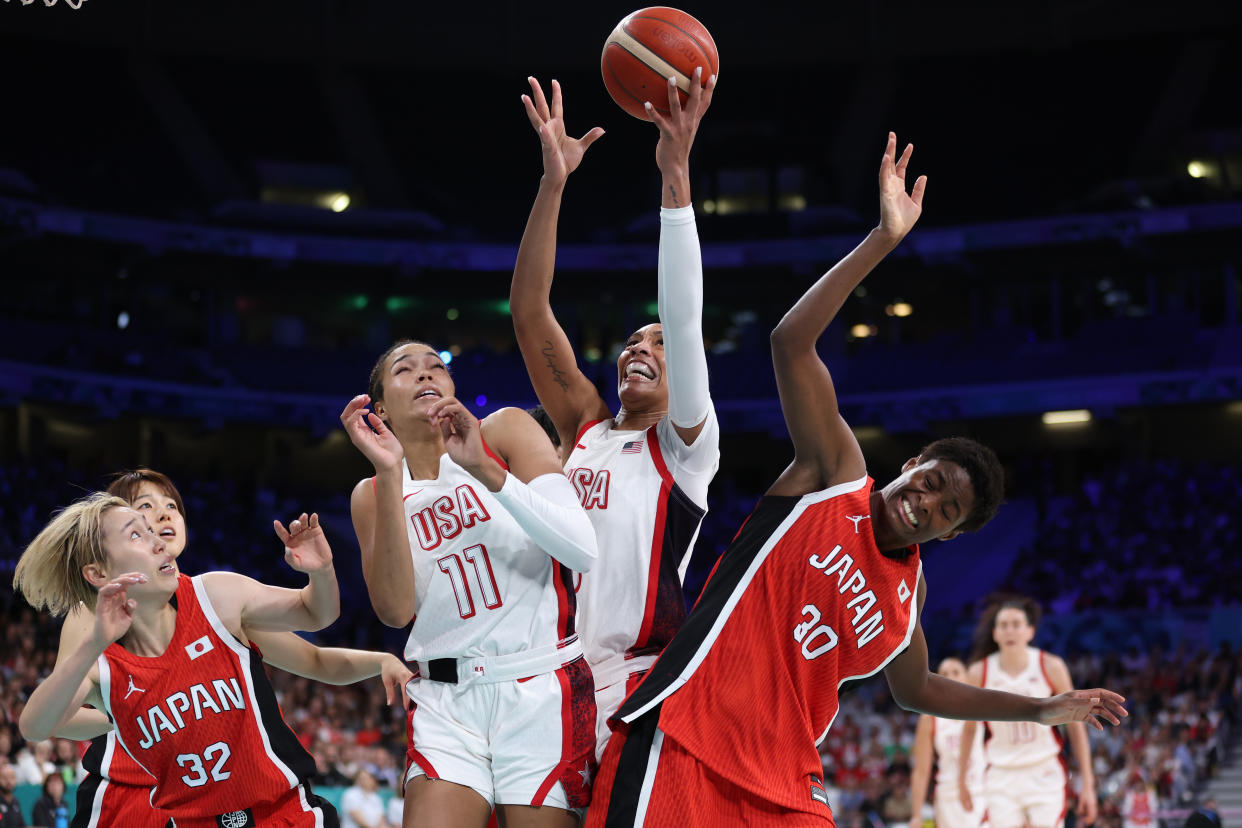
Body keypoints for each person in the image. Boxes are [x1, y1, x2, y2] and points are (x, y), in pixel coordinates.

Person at [584, 133, 1128, 827]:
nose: (926, 502)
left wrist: (1042, 709)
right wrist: (882, 237)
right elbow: (790, 341)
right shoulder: (834, 472)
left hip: (785, 779)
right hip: (686, 734)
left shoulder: (907, 594)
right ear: (910, 466)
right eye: (931, 481)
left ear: (953, 533)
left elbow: (918, 689)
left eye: (947, 508)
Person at [510, 71, 721, 760]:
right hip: (547, 676)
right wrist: (553, 183)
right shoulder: (586, 428)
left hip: (635, 680)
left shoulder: (688, 444)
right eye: (634, 339)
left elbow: (685, 321)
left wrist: (676, 177)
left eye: (657, 344)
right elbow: (530, 313)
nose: (642, 346)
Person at [48, 468, 414, 828]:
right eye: (145, 506)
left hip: (212, 800)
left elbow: (314, 658)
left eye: (172, 505)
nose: (163, 513)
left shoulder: (215, 603)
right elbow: (59, 715)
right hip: (129, 792)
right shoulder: (93, 613)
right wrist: (131, 716)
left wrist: (380, 659)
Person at [340, 340, 599, 827]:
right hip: (446, 701)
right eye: (406, 369)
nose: (425, 375)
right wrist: (390, 473)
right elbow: (395, 611)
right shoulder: (373, 493)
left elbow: (581, 548)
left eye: (437, 367)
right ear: (380, 411)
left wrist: (483, 467)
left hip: (540, 689)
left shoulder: (504, 431)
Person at [14, 492, 343, 827]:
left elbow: (316, 613)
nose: (159, 542)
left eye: (151, 530)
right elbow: (35, 727)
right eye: (135, 534)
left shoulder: (216, 596)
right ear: (98, 573)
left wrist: (322, 572)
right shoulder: (103, 663)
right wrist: (92, 644)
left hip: (286, 815)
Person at [957, 597, 1099, 828]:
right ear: (995, 634)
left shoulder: (1051, 666)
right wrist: (962, 778)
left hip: (1043, 770)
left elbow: (1075, 725)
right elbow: (969, 729)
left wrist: (1088, 785)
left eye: (1016, 624)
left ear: (1030, 631)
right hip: (1001, 774)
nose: (1010, 631)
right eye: (1003, 625)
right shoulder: (978, 673)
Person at [907, 658, 985, 828]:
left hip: (985, 790)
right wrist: (916, 815)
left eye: (956, 672)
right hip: (949, 796)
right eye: (944, 674)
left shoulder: (982, 709)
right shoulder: (929, 718)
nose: (950, 677)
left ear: (967, 678)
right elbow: (921, 770)